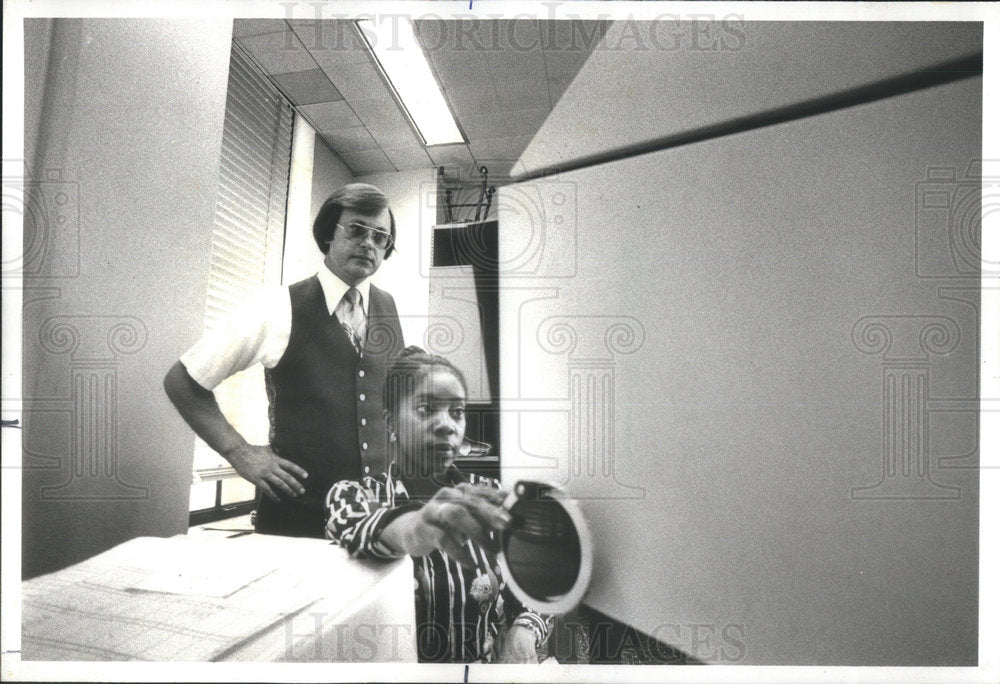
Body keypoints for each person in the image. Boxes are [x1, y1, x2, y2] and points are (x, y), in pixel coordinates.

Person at [164, 183, 404, 537]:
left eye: (381, 237)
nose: (369, 243)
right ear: (328, 235)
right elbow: (183, 381)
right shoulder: (277, 307)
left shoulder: (389, 308)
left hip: (376, 522)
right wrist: (239, 452)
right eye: (356, 230)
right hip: (298, 521)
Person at [324, 347, 552, 663]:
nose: (447, 424)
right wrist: (417, 527)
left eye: (456, 411)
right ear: (390, 424)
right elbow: (372, 530)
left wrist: (524, 629)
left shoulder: (489, 494)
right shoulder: (353, 497)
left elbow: (537, 582)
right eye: (426, 408)